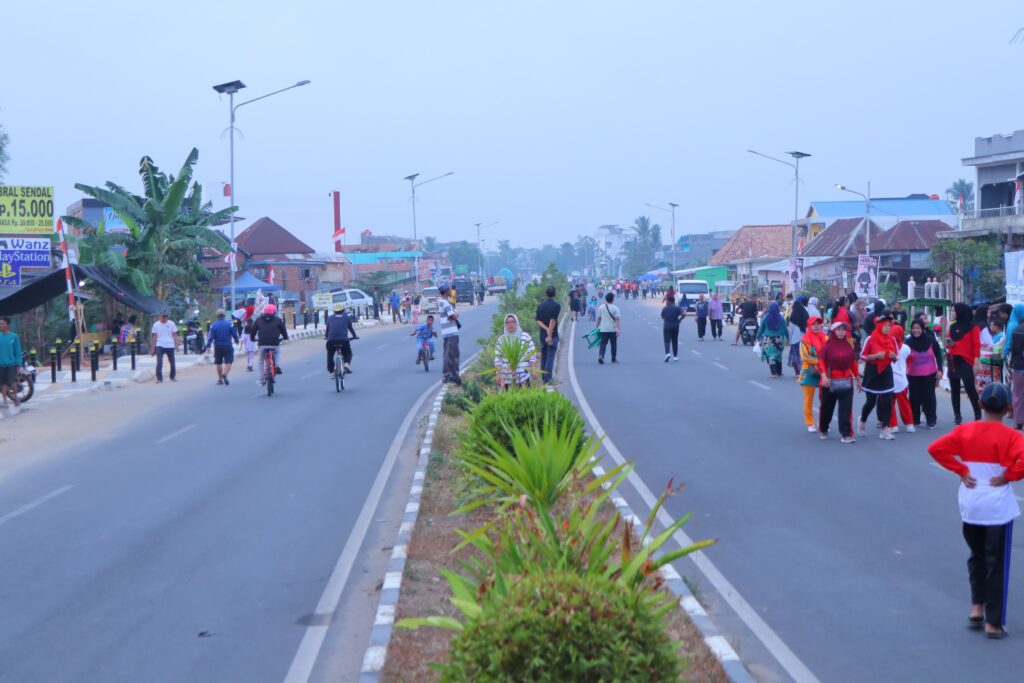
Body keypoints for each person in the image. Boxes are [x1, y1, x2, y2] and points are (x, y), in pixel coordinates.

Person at [927, 383, 1024, 639]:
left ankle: (976, 607)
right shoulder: (1014, 437)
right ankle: (993, 623)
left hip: (971, 506)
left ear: (980, 405)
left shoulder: (964, 432)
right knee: (997, 563)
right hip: (997, 509)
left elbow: (935, 449)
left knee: (976, 556)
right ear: (1007, 409)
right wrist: (1010, 475)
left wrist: (961, 470)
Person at [818, 322, 861, 442]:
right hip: (829, 382)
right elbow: (820, 362)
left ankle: (845, 434)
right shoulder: (827, 346)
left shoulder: (848, 346)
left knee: (846, 409)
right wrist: (824, 376)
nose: (841, 332)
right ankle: (823, 428)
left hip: (847, 381)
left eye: (843, 330)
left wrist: (857, 378)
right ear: (833, 331)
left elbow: (853, 362)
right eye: (838, 330)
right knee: (827, 408)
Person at [858, 312, 898, 439]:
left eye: (889, 325)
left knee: (887, 401)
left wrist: (893, 356)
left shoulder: (892, 339)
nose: (887, 328)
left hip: (886, 372)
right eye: (885, 325)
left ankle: (885, 429)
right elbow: (862, 355)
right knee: (871, 401)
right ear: (879, 326)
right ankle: (863, 420)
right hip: (872, 371)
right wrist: (875, 356)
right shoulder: (871, 338)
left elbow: (896, 356)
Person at [948, 302, 982, 425]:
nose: (952, 313)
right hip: (953, 360)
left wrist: (976, 361)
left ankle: (977, 413)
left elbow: (976, 345)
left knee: (970, 388)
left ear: (960, 312)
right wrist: (950, 344)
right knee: (954, 389)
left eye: (953, 311)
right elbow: (950, 342)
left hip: (966, 361)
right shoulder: (952, 326)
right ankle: (957, 415)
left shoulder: (973, 327)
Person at [907, 318, 943, 430]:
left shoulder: (931, 340)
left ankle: (931, 420)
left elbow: (938, 355)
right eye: (913, 328)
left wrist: (940, 369)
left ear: (922, 329)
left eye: (918, 328)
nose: (916, 330)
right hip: (913, 374)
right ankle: (915, 419)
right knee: (914, 397)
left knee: (929, 397)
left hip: (929, 374)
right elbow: (902, 357)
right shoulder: (907, 342)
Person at [494, 314, 538, 389]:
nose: (510, 324)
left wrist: (533, 370)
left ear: (517, 323)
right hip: (507, 379)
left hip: (523, 378)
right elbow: (498, 360)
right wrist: (498, 375)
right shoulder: (501, 340)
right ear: (505, 325)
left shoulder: (525, 337)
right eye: (507, 322)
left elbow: (531, 355)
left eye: (513, 322)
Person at [799, 317, 826, 432]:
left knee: (824, 399)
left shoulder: (825, 337)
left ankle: (823, 421)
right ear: (809, 326)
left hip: (823, 371)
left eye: (818, 324)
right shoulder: (804, 340)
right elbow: (804, 356)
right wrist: (819, 361)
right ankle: (810, 423)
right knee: (808, 399)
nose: (816, 326)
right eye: (813, 324)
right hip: (809, 371)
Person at [250, 304, 289, 386]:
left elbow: (253, 330)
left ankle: (261, 379)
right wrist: (285, 337)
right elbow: (283, 330)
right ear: (274, 312)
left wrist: (252, 338)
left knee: (261, 360)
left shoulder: (259, 319)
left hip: (262, 343)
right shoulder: (278, 320)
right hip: (275, 343)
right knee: (277, 352)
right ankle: (277, 365)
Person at [887, 325, 914, 433]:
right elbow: (909, 360)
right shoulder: (906, 348)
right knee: (904, 403)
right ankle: (909, 424)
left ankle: (893, 425)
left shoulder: (887, 347)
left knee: (890, 403)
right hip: (901, 379)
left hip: (889, 378)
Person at [205, 309, 239, 386]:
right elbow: (234, 333)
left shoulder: (213, 325)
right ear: (224, 315)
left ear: (217, 316)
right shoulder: (229, 324)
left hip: (218, 346)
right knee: (229, 361)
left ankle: (220, 379)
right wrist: (237, 340)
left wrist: (208, 345)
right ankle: (225, 373)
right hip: (227, 345)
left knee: (218, 362)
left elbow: (210, 337)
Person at [535, 285, 561, 384]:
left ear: (546, 294)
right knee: (550, 356)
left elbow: (538, 321)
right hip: (552, 335)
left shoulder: (540, 306)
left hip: (542, 335)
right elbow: (553, 321)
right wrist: (549, 335)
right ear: (554, 294)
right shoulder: (557, 306)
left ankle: (543, 377)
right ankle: (548, 379)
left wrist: (545, 329)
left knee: (544, 356)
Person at [437, 283, 461, 384]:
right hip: (451, 332)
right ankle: (453, 375)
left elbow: (452, 315)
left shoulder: (442, 302)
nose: (451, 291)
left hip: (446, 332)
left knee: (447, 354)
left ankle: (448, 375)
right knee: (453, 355)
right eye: (449, 290)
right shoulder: (445, 303)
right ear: (446, 291)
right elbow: (453, 316)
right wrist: (455, 315)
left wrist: (454, 314)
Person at [325, 302, 357, 377]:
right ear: (343, 311)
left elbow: (327, 331)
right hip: (343, 340)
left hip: (331, 341)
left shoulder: (330, 318)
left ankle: (331, 372)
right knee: (348, 353)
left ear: (334, 311)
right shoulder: (346, 318)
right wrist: (354, 336)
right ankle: (346, 365)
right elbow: (351, 329)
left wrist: (326, 337)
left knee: (330, 355)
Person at [756, 302, 788, 377]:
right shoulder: (781, 318)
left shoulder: (765, 318)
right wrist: (788, 337)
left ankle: (774, 373)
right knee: (778, 356)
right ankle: (779, 372)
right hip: (779, 339)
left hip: (769, 340)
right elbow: (785, 329)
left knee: (770, 356)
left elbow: (761, 329)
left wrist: (757, 336)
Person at [0, 317, 23, 408]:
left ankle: (15, 399)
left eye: (3, 324)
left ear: (8, 325)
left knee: (12, 382)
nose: (1, 325)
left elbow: (17, 350)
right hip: (0, 364)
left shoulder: (14, 337)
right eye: (0, 324)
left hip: (11, 364)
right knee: (3, 384)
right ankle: (4, 401)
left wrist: (19, 363)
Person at [1007, 304, 1024, 429]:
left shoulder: (1016, 329)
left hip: (1018, 366)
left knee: (1017, 394)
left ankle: (1018, 421)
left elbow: (1014, 349)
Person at [150, 311, 179, 383]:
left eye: (166, 316)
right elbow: (154, 337)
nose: (164, 318)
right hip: (160, 345)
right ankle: (159, 378)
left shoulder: (171, 323)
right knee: (159, 362)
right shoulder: (156, 325)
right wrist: (153, 348)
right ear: (160, 316)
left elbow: (175, 334)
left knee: (172, 362)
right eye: (163, 316)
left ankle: (172, 377)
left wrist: (176, 345)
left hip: (170, 345)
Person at [595, 292, 621, 364]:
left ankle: (601, 355)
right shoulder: (615, 308)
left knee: (603, 343)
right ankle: (613, 358)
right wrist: (618, 329)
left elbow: (599, 318)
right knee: (613, 344)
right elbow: (617, 320)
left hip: (603, 329)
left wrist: (596, 327)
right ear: (612, 299)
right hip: (613, 329)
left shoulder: (601, 307)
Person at [788, 296, 809, 377]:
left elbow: (790, 331)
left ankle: (797, 373)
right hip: (804, 340)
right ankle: (803, 371)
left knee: (795, 357)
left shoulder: (792, 318)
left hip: (794, 340)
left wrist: (789, 340)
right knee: (803, 356)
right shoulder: (805, 315)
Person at [661, 295, 685, 361]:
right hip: (675, 326)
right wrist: (679, 320)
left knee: (667, 340)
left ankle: (667, 353)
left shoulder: (665, 308)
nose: (666, 302)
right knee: (675, 341)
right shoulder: (677, 308)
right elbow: (684, 314)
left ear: (669, 301)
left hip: (667, 327)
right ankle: (675, 356)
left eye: (667, 300)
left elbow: (662, 316)